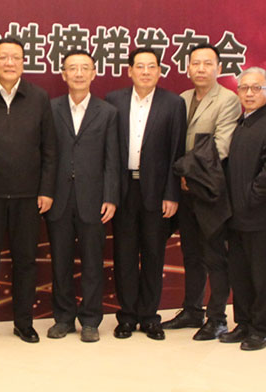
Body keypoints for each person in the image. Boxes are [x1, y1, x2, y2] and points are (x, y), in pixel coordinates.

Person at [0, 37, 57, 344]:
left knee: (26, 262)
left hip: (28, 195)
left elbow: (49, 149)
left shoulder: (39, 97)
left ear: (23, 63)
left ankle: (24, 322)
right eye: (3, 57)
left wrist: (46, 190)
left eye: (15, 57)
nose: (9, 63)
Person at [106, 47, 185, 340]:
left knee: (153, 254)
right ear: (129, 71)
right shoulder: (114, 100)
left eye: (151, 66)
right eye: (139, 66)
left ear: (160, 71)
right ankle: (127, 316)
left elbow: (177, 150)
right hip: (124, 188)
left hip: (157, 190)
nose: (145, 72)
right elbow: (108, 151)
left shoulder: (173, 103)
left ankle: (150, 316)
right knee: (124, 254)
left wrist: (171, 194)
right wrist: (110, 193)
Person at [166, 44, 240, 341]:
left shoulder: (228, 100)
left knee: (214, 255)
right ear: (187, 68)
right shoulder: (182, 99)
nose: (201, 68)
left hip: (209, 190)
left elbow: (221, 147)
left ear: (219, 68)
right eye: (195, 63)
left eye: (207, 63)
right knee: (191, 253)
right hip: (185, 192)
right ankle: (192, 309)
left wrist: (186, 173)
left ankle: (217, 317)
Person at [45, 50, 118, 343]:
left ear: (93, 73)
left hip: (94, 199)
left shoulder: (108, 112)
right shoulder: (50, 108)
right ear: (63, 74)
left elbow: (112, 159)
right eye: (72, 68)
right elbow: (45, 154)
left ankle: (90, 320)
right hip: (58, 198)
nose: (78, 73)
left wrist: (110, 196)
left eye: (84, 68)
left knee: (92, 263)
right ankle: (63, 318)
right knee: (60, 262)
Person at [223, 67, 266, 351]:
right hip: (236, 216)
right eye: (244, 88)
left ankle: (261, 329)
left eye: (256, 88)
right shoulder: (242, 122)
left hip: (261, 216)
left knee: (262, 276)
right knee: (240, 274)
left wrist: (248, 199)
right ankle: (244, 323)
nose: (249, 93)